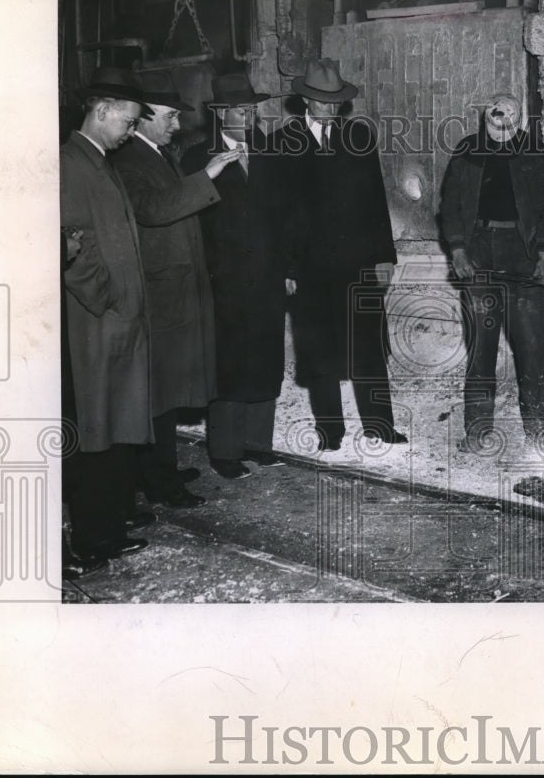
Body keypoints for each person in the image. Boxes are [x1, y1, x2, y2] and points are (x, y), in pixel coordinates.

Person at [112, 70, 242, 506]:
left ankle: (161, 469)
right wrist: (208, 174)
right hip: (159, 291)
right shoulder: (129, 159)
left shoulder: (156, 153)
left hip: (178, 286)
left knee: (166, 392)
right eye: (168, 116)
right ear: (142, 117)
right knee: (157, 393)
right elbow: (152, 209)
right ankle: (158, 482)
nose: (177, 125)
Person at [276, 57, 408, 452]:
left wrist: (384, 256)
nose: (330, 107)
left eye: (335, 100)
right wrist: (286, 266)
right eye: (321, 100)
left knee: (368, 344)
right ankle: (330, 432)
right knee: (319, 352)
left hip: (358, 263)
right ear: (305, 101)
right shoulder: (283, 143)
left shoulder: (359, 136)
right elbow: (277, 213)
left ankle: (380, 426)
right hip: (310, 269)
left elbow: (375, 199)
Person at [61, 66, 154, 561]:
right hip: (97, 323)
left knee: (117, 423)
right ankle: (97, 538)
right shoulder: (69, 164)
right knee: (96, 429)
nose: (132, 131)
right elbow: (68, 245)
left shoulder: (97, 161)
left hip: (117, 320)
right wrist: (110, 300)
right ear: (102, 112)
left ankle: (112, 518)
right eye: (130, 121)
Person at [440, 94, 544, 452]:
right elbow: (450, 204)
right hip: (478, 252)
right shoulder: (466, 151)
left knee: (532, 345)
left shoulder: (535, 152)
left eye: (506, 125)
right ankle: (477, 431)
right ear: (485, 121)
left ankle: (540, 428)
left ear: (518, 122)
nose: (499, 131)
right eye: (493, 125)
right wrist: (458, 249)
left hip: (522, 253)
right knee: (481, 346)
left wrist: (542, 253)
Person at [181, 72, 286, 479]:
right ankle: (224, 451)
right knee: (228, 364)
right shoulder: (197, 160)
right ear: (222, 113)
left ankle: (258, 445)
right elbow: (194, 224)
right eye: (243, 110)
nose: (251, 115)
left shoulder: (270, 151)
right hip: (223, 280)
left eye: (253, 109)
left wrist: (288, 268)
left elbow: (285, 215)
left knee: (266, 357)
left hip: (269, 276)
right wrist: (208, 274)